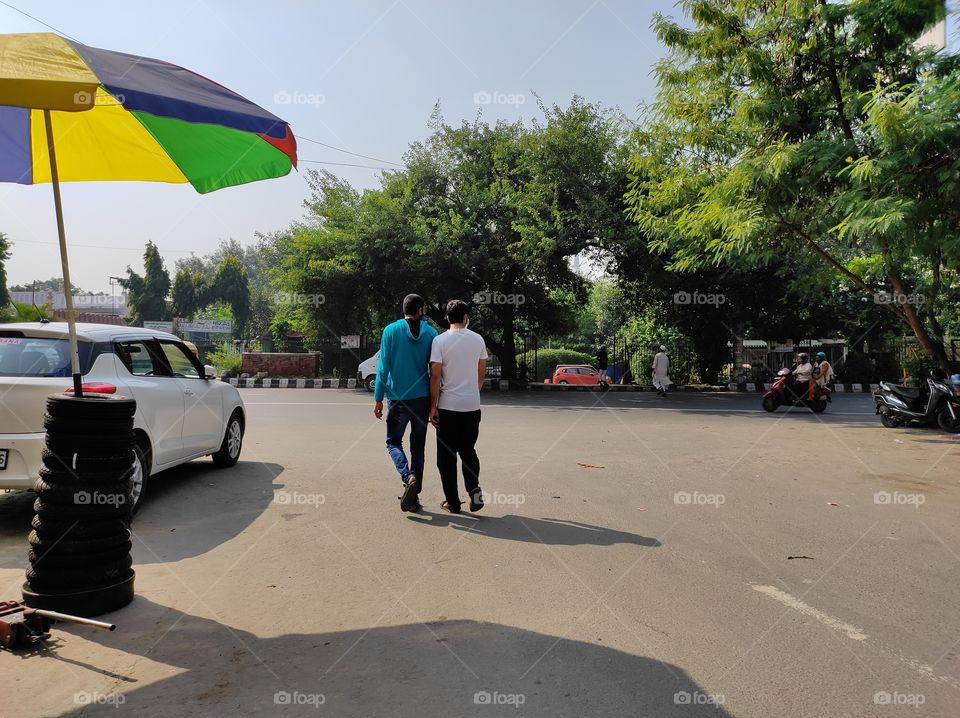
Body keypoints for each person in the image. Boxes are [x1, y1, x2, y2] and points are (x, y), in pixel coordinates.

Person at [373, 294, 438, 513]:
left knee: (393, 442)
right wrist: (435, 403)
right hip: (422, 399)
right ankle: (414, 497)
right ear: (420, 309)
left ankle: (408, 477)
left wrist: (377, 398)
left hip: (398, 398)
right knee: (418, 447)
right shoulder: (431, 333)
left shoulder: (390, 330)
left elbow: (383, 367)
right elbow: (436, 371)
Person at [428, 300, 487, 514]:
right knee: (468, 450)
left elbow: (435, 375)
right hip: (472, 406)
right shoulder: (478, 339)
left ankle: (452, 502)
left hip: (448, 407)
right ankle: (474, 489)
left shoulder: (440, 341)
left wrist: (433, 406)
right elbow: (481, 374)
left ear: (447, 317)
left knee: (446, 456)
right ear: (466, 317)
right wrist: (472, 391)